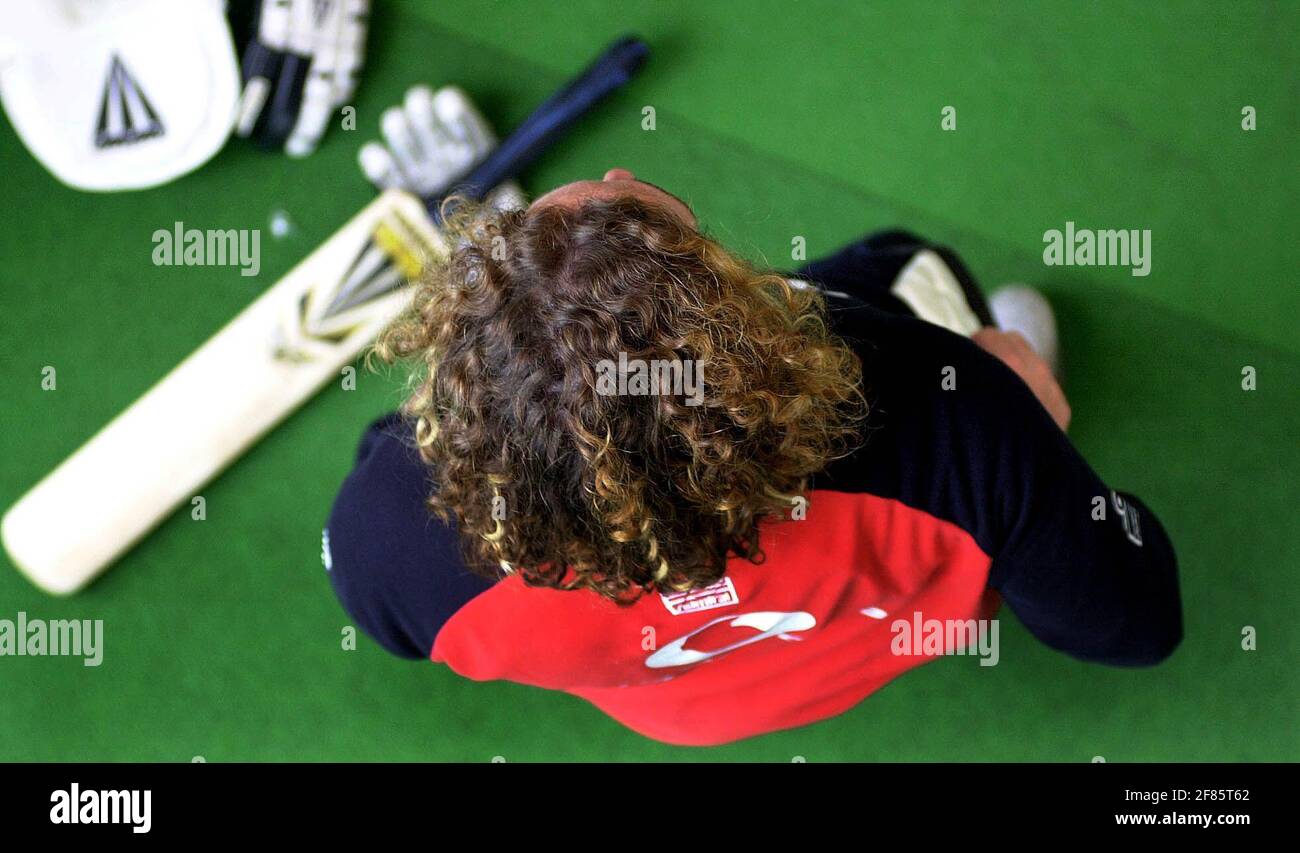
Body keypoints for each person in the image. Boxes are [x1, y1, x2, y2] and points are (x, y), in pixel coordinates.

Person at [324, 168, 1182, 746]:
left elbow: (390, 462)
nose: (622, 178)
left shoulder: (389, 540)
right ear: (743, 348)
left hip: (697, 707)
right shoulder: (955, 413)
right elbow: (1133, 623)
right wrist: (1033, 432)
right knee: (907, 265)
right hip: (888, 627)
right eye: (661, 226)